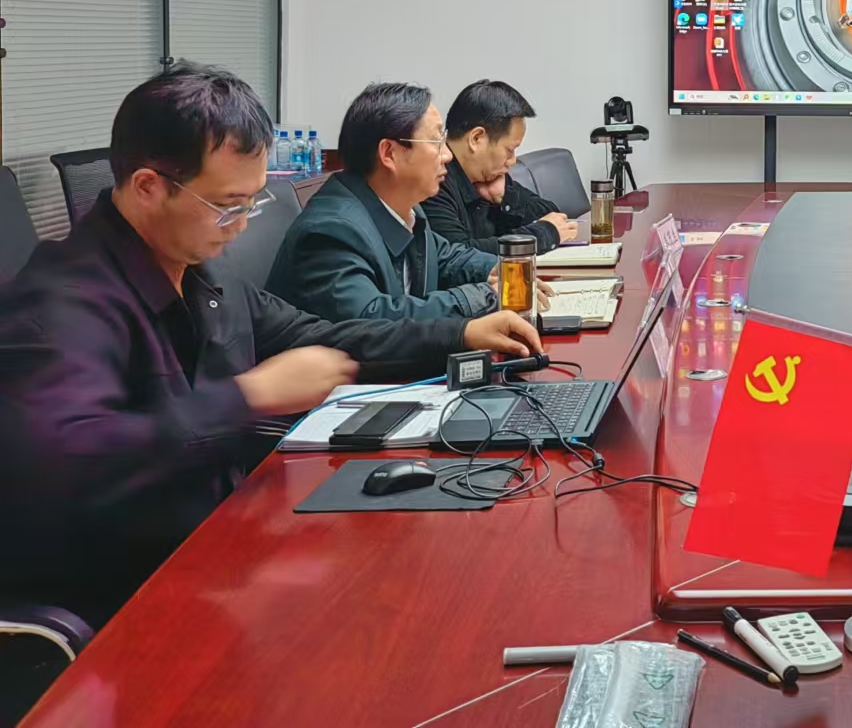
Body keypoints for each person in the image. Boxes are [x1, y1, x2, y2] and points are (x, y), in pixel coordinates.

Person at [0, 64, 542, 626]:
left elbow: (320, 335)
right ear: (147, 187)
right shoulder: (62, 304)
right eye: (227, 205)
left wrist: (458, 334)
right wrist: (249, 396)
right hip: (130, 597)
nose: (240, 226)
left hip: (227, 540)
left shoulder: (197, 271)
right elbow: (73, 463)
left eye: (250, 204)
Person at [268, 83, 530, 322]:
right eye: (436, 141)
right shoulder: (331, 231)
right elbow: (372, 319)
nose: (448, 155)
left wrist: (502, 271)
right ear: (389, 153)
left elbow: (445, 257)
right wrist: (485, 296)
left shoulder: (405, 209)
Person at [422, 79, 578, 255]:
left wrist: (505, 198)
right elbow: (459, 256)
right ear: (476, 139)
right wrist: (542, 236)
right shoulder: (434, 183)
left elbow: (552, 217)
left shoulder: (489, 175)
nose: (512, 160)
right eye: (510, 150)